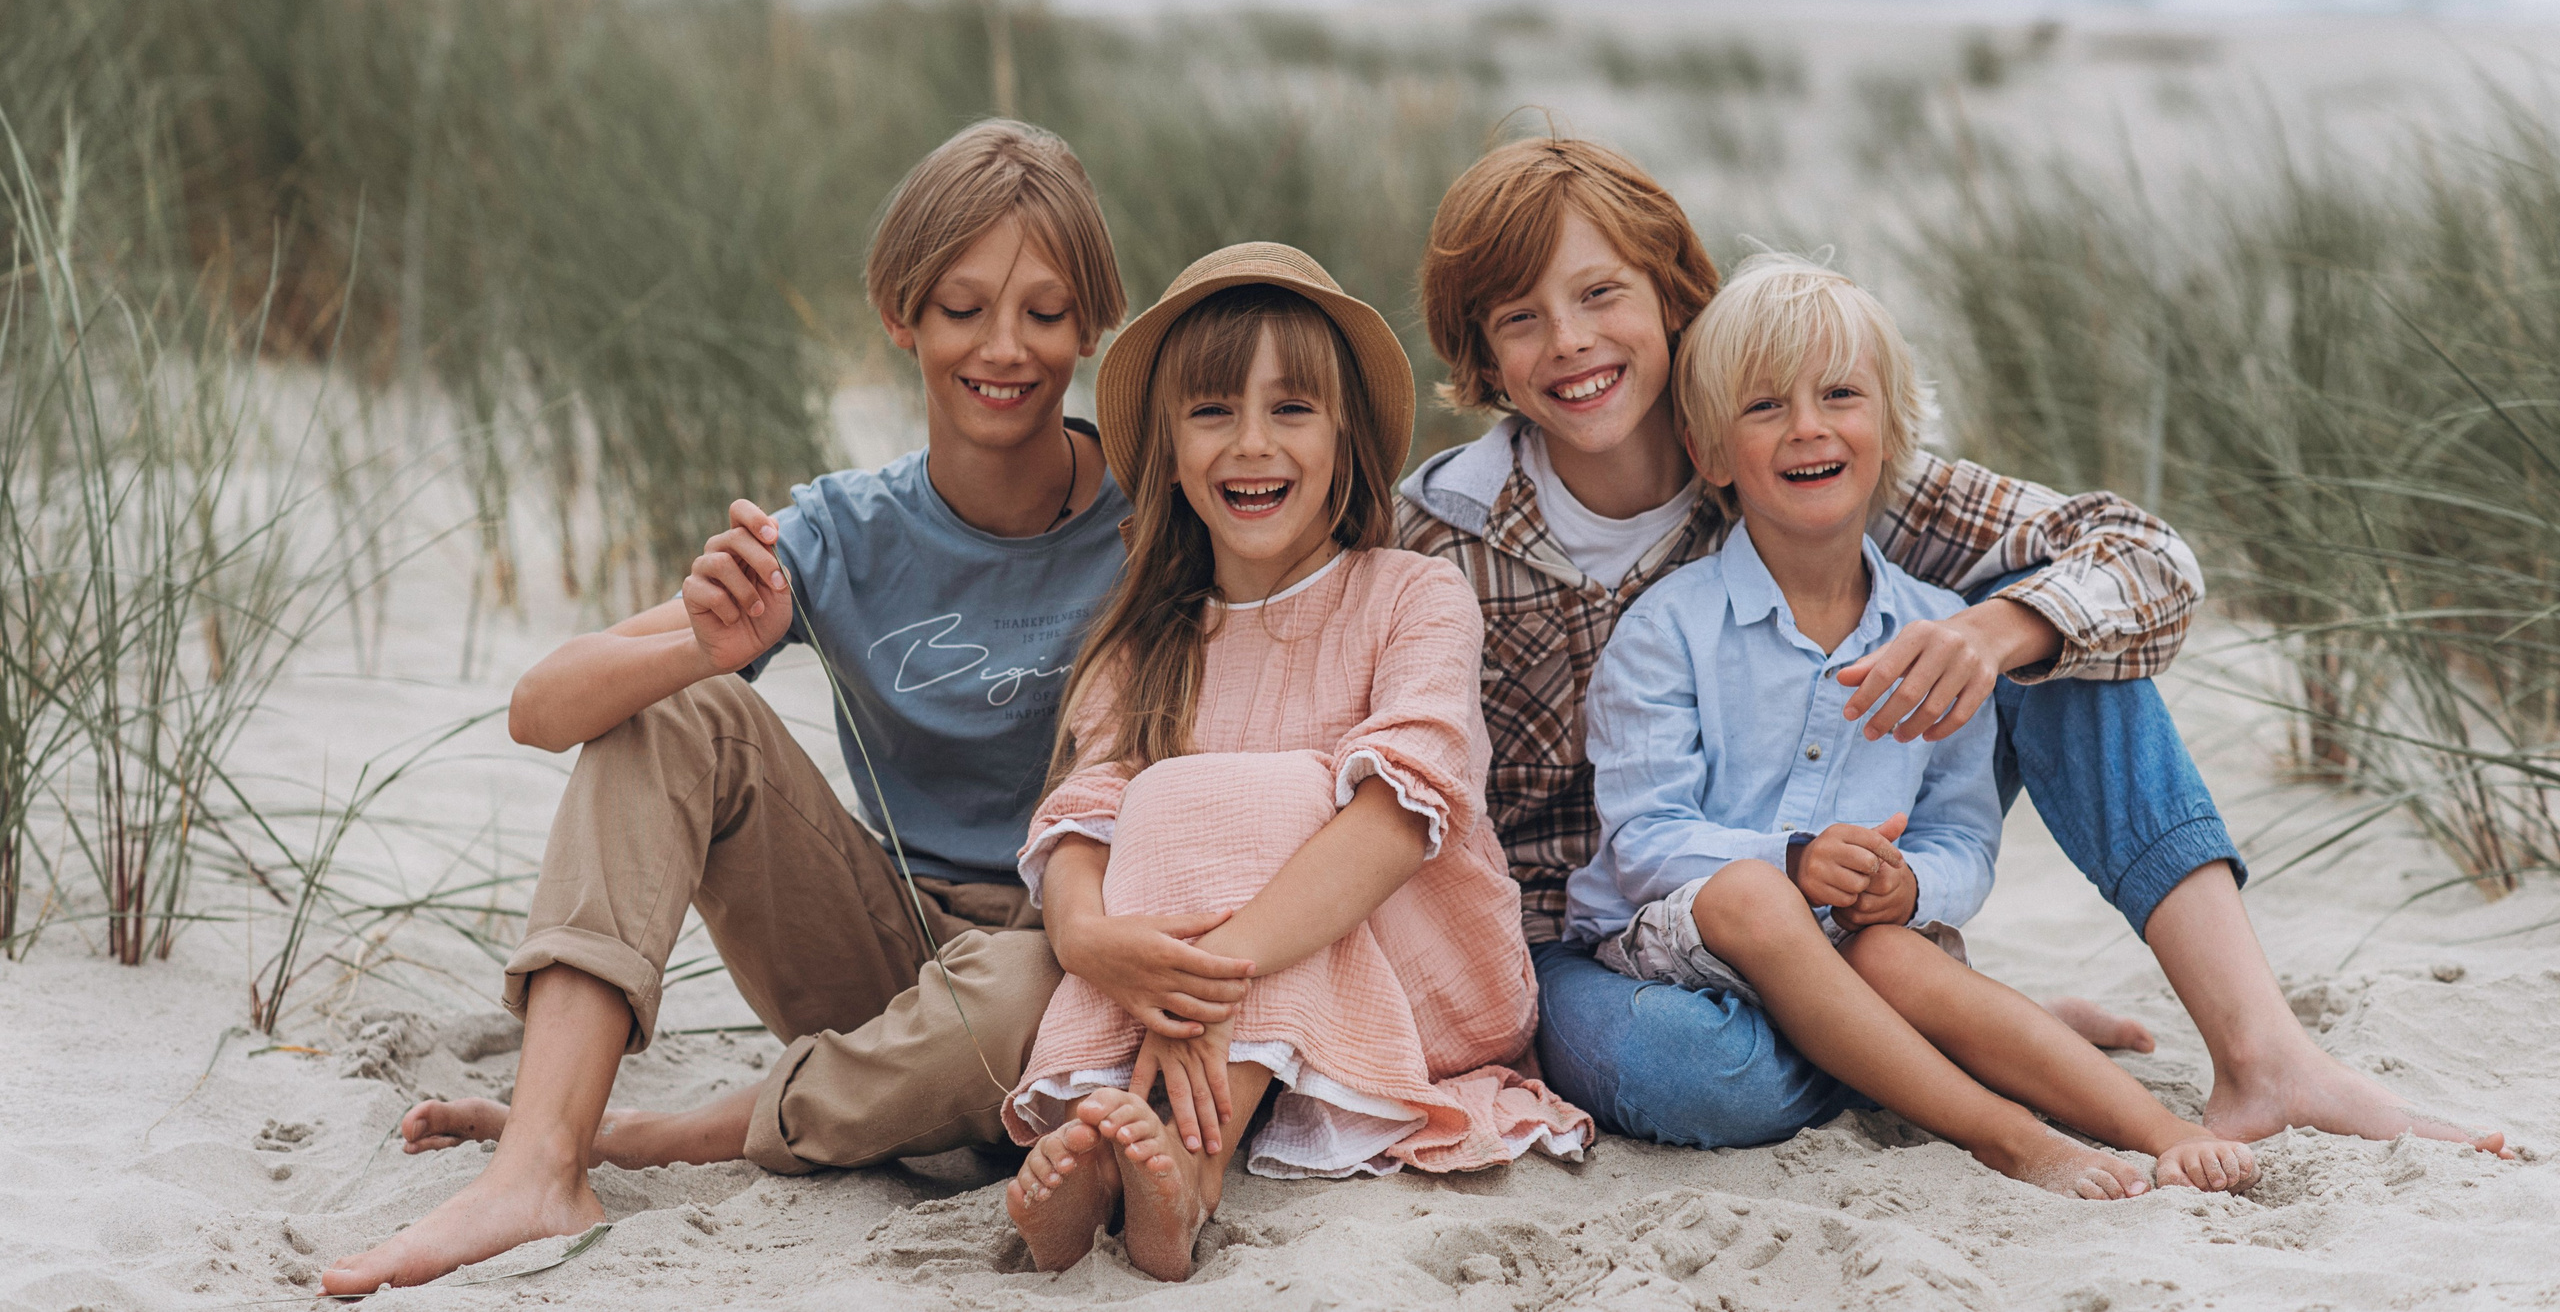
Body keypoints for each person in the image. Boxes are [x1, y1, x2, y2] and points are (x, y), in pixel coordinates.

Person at [1398, 135, 2509, 1158]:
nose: (1573, 340)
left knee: (2056, 618)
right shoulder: (1435, 531)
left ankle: (2265, 1054)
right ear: (1483, 356)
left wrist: (1998, 628)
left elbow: (2150, 562)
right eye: (1521, 317)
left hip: (1854, 904)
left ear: (1672, 298)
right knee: (1694, 1077)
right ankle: (1966, 1034)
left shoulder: (1804, 449)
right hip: (1601, 943)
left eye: (1600, 294)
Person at [323, 122, 1269, 1294]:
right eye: (963, 307)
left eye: (1043, 310)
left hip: (1078, 971)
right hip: (883, 949)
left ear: (1092, 327)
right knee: (672, 709)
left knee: (1026, 984)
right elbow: (540, 707)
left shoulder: (1156, 516)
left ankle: (651, 1131)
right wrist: (699, 640)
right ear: (901, 315)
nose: (1004, 348)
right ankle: (541, 1161)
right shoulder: (842, 527)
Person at [1569, 254, 2258, 1198]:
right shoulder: (1667, 629)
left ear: (1891, 427)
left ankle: (2159, 1125)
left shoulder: (1939, 636)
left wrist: (1910, 885)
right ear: (1709, 451)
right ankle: (2008, 1131)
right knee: (1757, 900)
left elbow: (1963, 838)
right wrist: (1795, 858)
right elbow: (1644, 842)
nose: (1808, 426)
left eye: (1840, 395)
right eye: (1763, 406)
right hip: (1679, 946)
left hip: (1854, 939)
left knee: (1891, 946)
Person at [1004, 246, 1588, 1282]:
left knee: (1261, 785)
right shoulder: (1145, 636)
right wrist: (1093, 935)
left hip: (1422, 978)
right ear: (1171, 450)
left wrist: (1208, 974)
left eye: (1292, 410)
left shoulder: (1410, 595)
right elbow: (1082, 810)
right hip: (1189, 992)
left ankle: (1193, 1162)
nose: (1252, 444)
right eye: (1214, 411)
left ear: (1347, 437)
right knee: (1141, 812)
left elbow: (1402, 817)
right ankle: (1106, 1159)